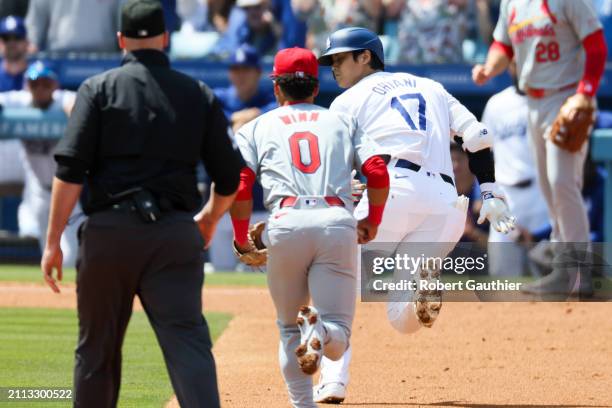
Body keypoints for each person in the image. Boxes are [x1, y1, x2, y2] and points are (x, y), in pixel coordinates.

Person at [40, 1, 244, 407]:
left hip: (109, 235)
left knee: (96, 350)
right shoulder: (197, 92)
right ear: (165, 38)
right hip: (173, 235)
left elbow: (70, 171)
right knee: (188, 345)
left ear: (121, 40)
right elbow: (229, 177)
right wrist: (208, 219)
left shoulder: (97, 89)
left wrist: (52, 241)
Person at [313, 27, 516, 403]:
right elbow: (477, 137)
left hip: (389, 191)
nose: (333, 68)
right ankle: (418, 288)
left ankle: (333, 380)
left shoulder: (348, 100)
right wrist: (487, 190)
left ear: (366, 57)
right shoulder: (432, 87)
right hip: (444, 202)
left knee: (334, 280)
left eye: (340, 59)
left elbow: (332, 163)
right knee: (402, 318)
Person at [229, 46, 390, 408]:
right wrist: (372, 221)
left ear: (276, 89)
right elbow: (377, 171)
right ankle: (323, 330)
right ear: (316, 89)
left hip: (285, 224)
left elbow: (240, 184)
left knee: (288, 327)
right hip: (335, 221)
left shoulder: (255, 126)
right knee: (339, 333)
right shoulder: (341, 120)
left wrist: (242, 238)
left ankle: (302, 404)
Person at [472, 0, 607, 296]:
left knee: (562, 182)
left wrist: (586, 93)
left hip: (567, 97)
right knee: (549, 187)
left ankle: (578, 270)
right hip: (533, 102)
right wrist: (488, 69)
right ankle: (564, 267)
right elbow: (502, 46)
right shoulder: (512, 3)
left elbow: (596, 45)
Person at [0, 61, 83, 265]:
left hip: (65, 189)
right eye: (35, 83)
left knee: (70, 256)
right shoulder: (19, 100)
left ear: (54, 85)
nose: (40, 88)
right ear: (27, 85)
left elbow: (78, 105)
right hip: (36, 192)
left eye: (45, 83)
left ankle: (64, 296)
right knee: (45, 252)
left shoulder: (62, 99)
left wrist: (72, 112)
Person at [482, 62, 551, 277]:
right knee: (502, 277)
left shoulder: (549, 100)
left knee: (549, 276)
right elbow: (484, 152)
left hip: (541, 196)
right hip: (506, 197)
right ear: (510, 66)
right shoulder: (496, 103)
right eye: (514, 62)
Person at [210, 44, 275, 270]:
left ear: (258, 72)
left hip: (260, 205)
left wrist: (252, 115)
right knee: (221, 274)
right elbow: (209, 117)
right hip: (223, 205)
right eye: (236, 69)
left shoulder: (270, 98)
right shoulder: (219, 97)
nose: (240, 75)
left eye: (246, 69)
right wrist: (244, 117)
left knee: (264, 274)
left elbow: (277, 110)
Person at [25, 0, 124, 52]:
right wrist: (32, 42)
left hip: (105, 58)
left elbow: (123, 15)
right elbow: (35, 20)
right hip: (58, 57)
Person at [0, 15, 28, 191]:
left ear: (26, 42)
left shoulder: (39, 78)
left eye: (17, 37)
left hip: (29, 164)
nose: (11, 43)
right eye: (6, 38)